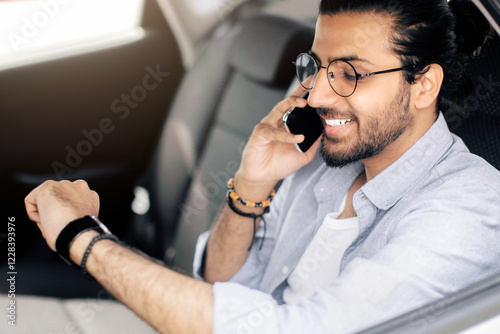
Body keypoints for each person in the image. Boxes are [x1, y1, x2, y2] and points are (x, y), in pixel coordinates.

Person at [25, 0, 500, 333]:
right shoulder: (321, 163)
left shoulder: (467, 209)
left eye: (349, 74)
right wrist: (252, 182)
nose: (316, 95)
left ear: (423, 85)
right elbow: (220, 285)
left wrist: (82, 237)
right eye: (317, 67)